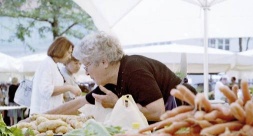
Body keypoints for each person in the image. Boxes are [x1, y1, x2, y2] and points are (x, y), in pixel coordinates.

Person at [46, 32, 196, 122]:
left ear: (104, 62)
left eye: (87, 66)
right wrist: (40, 117)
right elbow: (81, 103)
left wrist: (117, 104)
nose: (86, 72)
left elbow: (157, 112)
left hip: (185, 110)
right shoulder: (111, 81)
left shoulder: (134, 70)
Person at [30, 36, 82, 114]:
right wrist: (69, 88)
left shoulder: (53, 65)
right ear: (61, 50)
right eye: (69, 52)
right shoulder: (47, 64)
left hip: (50, 113)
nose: (70, 56)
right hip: (43, 114)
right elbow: (46, 90)